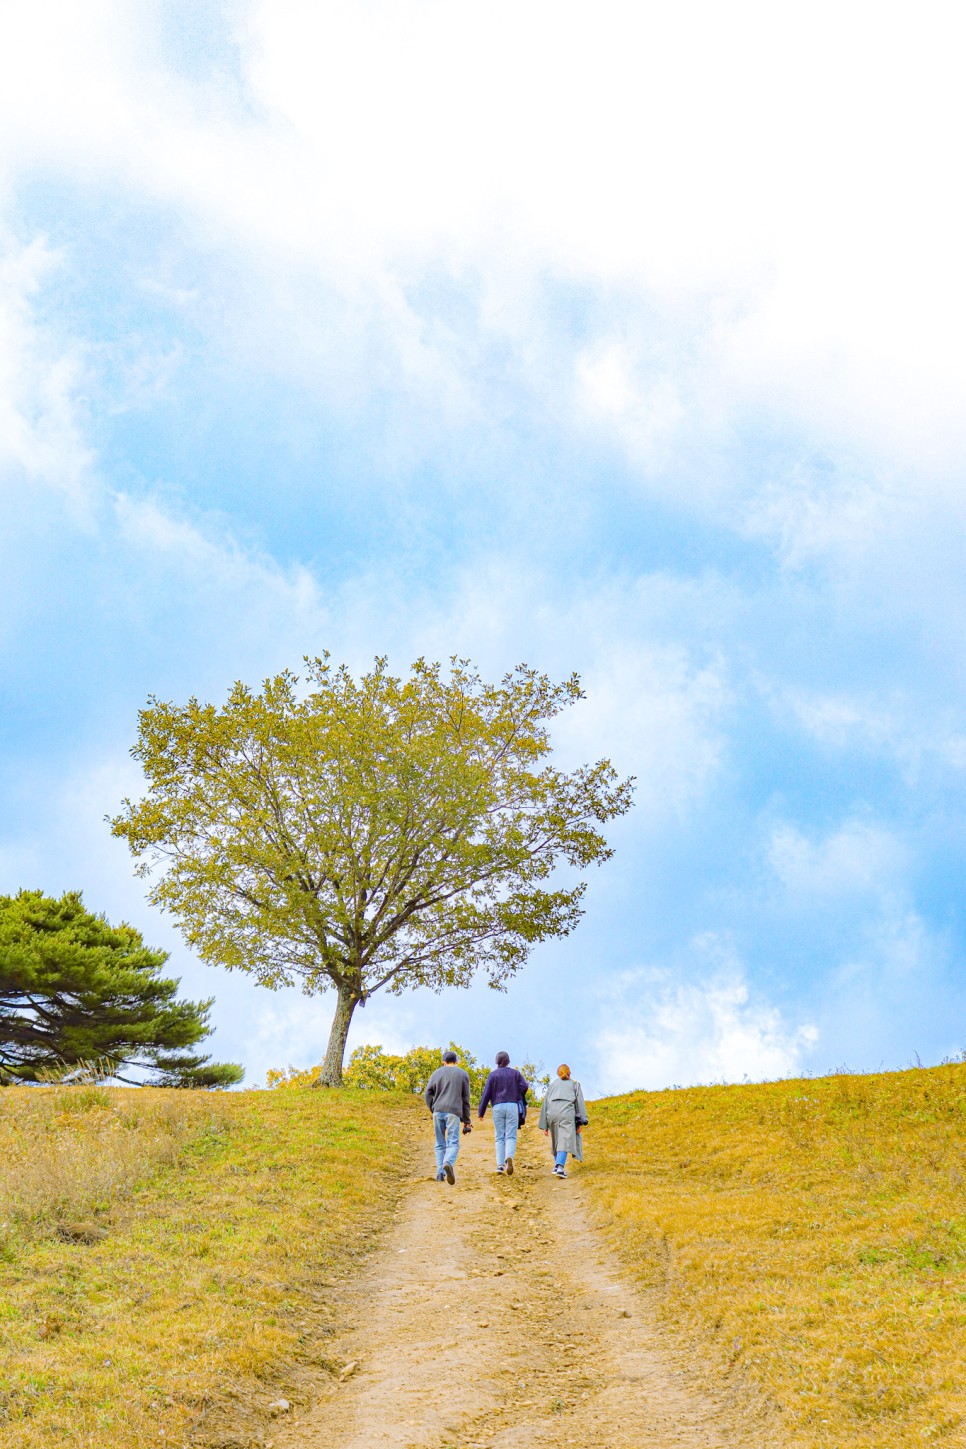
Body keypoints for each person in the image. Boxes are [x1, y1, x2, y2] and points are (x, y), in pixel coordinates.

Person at [477, 1051, 530, 1175]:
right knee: (511, 1135)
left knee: (499, 1136)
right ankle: (509, 1157)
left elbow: (487, 1093)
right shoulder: (515, 1073)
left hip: (497, 1106)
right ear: (508, 1061)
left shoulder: (493, 1075)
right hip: (512, 1105)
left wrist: (481, 1111)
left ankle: (500, 1165)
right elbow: (524, 1086)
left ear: (497, 1061)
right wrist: (516, 1094)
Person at [424, 1048, 471, 1184]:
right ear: (456, 1061)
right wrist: (467, 1121)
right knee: (453, 1142)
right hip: (453, 1112)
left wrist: (432, 1108)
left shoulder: (436, 1073)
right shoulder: (463, 1074)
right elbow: (465, 1099)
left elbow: (428, 1093)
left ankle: (440, 1173)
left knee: (439, 1143)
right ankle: (448, 1162)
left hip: (437, 1110)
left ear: (443, 1062)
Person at [539, 1063, 588, 1178]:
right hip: (566, 1114)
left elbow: (545, 1103)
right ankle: (560, 1167)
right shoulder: (575, 1085)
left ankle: (557, 1165)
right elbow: (579, 1103)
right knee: (564, 1140)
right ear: (569, 1073)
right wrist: (582, 1120)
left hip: (551, 1114)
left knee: (556, 1140)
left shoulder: (552, 1085)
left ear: (558, 1073)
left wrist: (544, 1125)